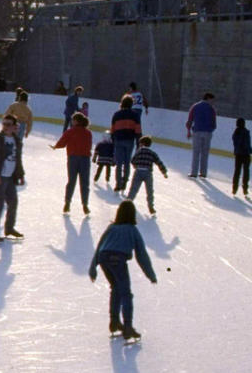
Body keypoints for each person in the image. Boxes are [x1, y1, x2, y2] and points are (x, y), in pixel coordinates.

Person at [89, 200, 157, 341]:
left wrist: (93, 267)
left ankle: (114, 322)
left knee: (116, 289)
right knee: (126, 294)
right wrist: (150, 275)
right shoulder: (132, 230)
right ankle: (127, 327)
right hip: (117, 259)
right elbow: (141, 254)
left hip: (103, 258)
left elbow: (100, 245)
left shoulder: (112, 227)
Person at [0, 115, 24, 242]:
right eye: (4, 124)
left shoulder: (17, 141)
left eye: (8, 124)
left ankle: (9, 228)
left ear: (14, 126)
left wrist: (21, 174)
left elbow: (18, 159)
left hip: (10, 177)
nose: (5, 126)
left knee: (13, 202)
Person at [52, 111, 93, 215]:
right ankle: (85, 204)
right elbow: (89, 146)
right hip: (85, 159)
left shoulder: (70, 131)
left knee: (71, 181)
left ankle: (67, 203)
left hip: (73, 158)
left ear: (76, 121)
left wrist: (55, 146)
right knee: (84, 183)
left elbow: (62, 143)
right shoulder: (88, 133)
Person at [127, 136, 169, 215]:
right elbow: (159, 162)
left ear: (142, 144)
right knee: (149, 191)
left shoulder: (139, 152)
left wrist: (135, 165)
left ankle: (128, 203)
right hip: (148, 173)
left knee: (133, 189)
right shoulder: (152, 153)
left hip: (138, 171)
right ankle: (151, 206)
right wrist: (164, 172)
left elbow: (132, 160)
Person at [110, 95, 143, 191]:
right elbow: (138, 129)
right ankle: (125, 182)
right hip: (129, 140)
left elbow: (113, 129)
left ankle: (118, 183)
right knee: (127, 162)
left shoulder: (116, 114)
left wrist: (113, 141)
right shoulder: (135, 115)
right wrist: (138, 143)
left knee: (119, 163)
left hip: (119, 140)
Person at [185, 92, 217, 178]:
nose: (213, 102)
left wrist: (188, 131)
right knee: (205, 153)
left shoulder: (195, 106)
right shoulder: (211, 109)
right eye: (212, 100)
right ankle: (203, 172)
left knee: (196, 153)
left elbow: (189, 120)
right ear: (208, 98)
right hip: (207, 132)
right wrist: (210, 130)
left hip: (197, 131)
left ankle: (194, 172)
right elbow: (214, 123)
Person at [4, 91, 33, 185]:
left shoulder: (14, 105)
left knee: (12, 139)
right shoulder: (28, 109)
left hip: (14, 123)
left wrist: (5, 124)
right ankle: (17, 147)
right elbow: (30, 121)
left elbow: (7, 114)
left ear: (20, 98)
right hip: (23, 125)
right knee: (18, 141)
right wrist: (28, 131)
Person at [232, 118, 252, 196]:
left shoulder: (235, 133)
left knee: (237, 171)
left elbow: (235, 144)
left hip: (238, 154)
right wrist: (249, 150)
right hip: (245, 154)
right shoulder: (246, 132)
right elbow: (247, 143)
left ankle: (234, 188)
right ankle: (245, 189)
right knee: (246, 171)